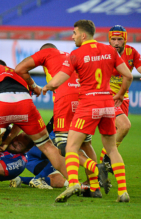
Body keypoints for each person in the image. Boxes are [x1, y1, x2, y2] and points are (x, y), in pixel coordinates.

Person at [43, 20, 133, 203]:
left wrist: (47, 86)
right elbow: (129, 75)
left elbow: (58, 79)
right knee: (112, 148)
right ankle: (123, 192)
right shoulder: (110, 51)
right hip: (108, 105)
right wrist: (121, 94)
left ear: (83, 35)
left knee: (70, 147)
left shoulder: (76, 54)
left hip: (88, 105)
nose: (72, 36)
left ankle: (74, 183)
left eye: (74, 33)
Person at [15, 43, 102, 196]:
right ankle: (93, 186)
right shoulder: (68, 56)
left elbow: (19, 69)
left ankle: (95, 169)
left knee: (62, 146)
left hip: (65, 100)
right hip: (84, 97)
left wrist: (34, 85)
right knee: (86, 143)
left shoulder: (46, 53)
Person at [0, 62, 69, 195]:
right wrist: (7, 141)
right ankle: (75, 181)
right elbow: (19, 119)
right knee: (48, 146)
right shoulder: (17, 73)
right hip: (25, 103)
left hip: (0, 102)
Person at [99, 25, 141, 166]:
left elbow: (140, 67)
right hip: (107, 96)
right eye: (113, 39)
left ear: (125, 39)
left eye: (119, 39)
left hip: (123, 97)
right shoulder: (103, 52)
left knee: (116, 132)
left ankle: (102, 165)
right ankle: (107, 159)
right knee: (124, 126)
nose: (116, 42)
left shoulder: (131, 52)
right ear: (109, 40)